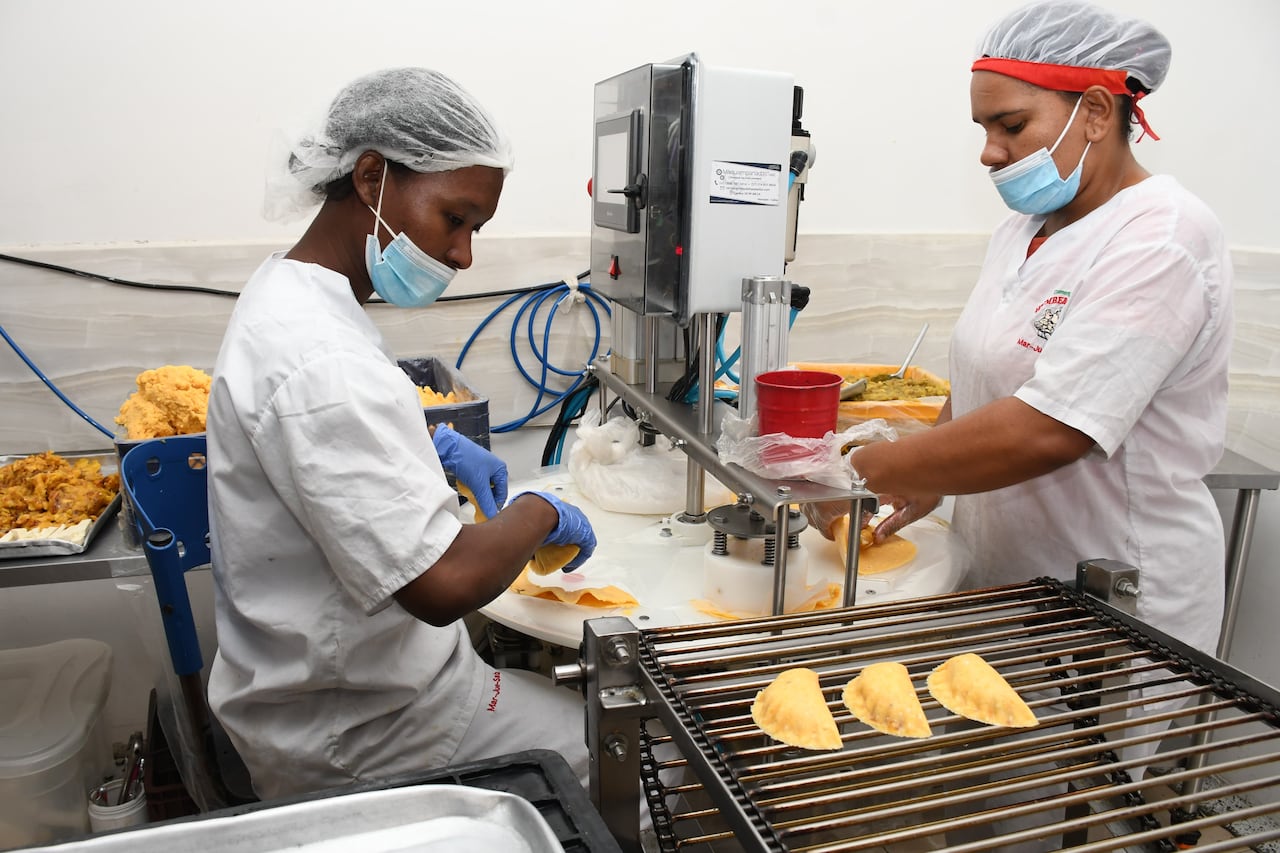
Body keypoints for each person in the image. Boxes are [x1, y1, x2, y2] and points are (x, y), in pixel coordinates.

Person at [204, 67, 598, 801]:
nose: (464, 255)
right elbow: (443, 586)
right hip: (367, 732)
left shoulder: (294, 296)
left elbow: (326, 454)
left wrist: (420, 446)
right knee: (629, 754)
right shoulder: (319, 356)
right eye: (456, 217)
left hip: (350, 693)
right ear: (371, 177)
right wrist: (541, 512)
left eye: (475, 229)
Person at [810, 0, 1233, 657]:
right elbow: (986, 379)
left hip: (1113, 599)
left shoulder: (1163, 237)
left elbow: (1051, 429)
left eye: (1010, 124)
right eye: (983, 127)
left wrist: (862, 468)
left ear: (1097, 112)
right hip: (1006, 581)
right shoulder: (1021, 231)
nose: (989, 151)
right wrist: (927, 471)